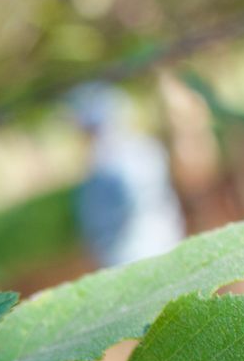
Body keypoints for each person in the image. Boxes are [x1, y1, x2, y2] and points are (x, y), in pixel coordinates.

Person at [67, 82, 186, 266]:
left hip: (131, 255)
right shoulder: (146, 147)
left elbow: (104, 222)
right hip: (166, 238)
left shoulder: (104, 164)